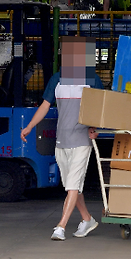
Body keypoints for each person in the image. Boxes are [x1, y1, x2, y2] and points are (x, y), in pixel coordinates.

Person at [20, 36, 102, 241]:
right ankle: (87, 219)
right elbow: (45, 106)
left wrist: (95, 127)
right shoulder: (56, 79)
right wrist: (29, 126)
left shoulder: (92, 80)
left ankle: (61, 226)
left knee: (72, 186)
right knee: (72, 187)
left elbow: (102, 108)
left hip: (82, 140)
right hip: (61, 142)